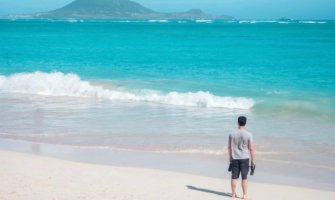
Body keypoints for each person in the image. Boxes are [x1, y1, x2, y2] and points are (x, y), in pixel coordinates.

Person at [228, 116, 255, 199]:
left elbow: (229, 147)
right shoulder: (249, 134)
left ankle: (233, 194)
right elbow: (251, 149)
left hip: (235, 158)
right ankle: (244, 195)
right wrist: (253, 160)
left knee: (234, 177)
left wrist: (230, 158)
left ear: (237, 122)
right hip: (245, 158)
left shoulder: (232, 133)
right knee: (244, 177)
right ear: (245, 123)